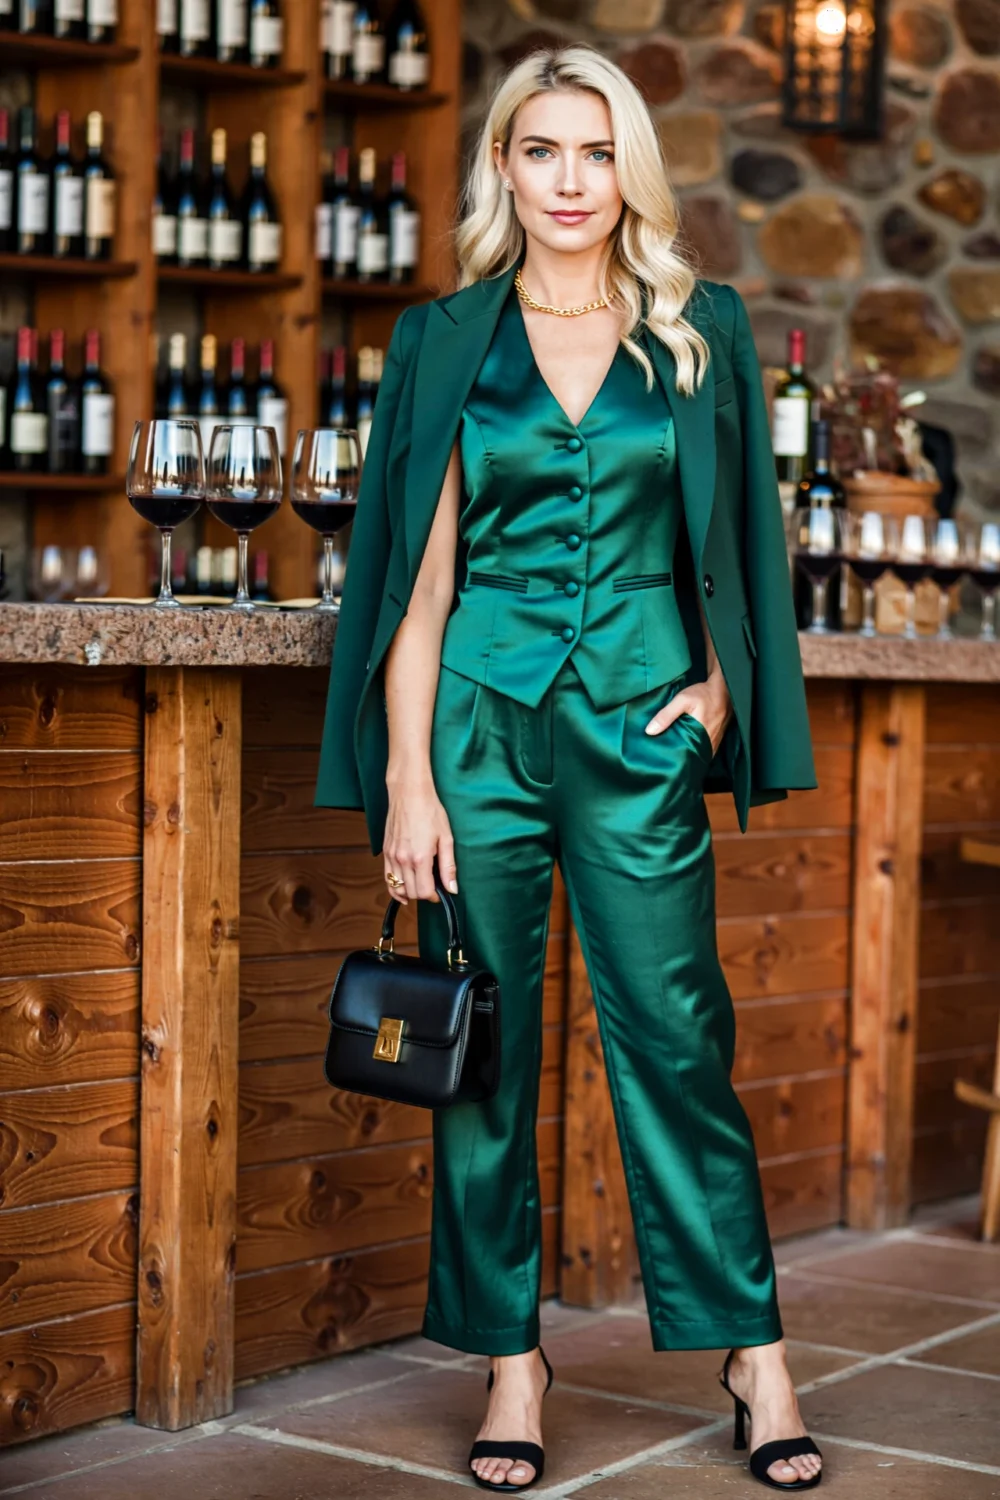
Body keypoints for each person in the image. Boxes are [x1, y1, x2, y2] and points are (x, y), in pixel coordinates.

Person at [314, 43, 822, 1495]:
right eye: (541, 151)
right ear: (501, 168)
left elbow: (733, 546)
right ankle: (510, 1364)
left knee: (677, 1037)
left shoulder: (697, 329)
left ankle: (755, 1349)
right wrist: (409, 781)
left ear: (629, 171)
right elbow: (417, 587)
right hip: (479, 725)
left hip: (639, 730)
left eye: (596, 153)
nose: (570, 182)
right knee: (481, 1060)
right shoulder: (446, 339)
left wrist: (719, 691)